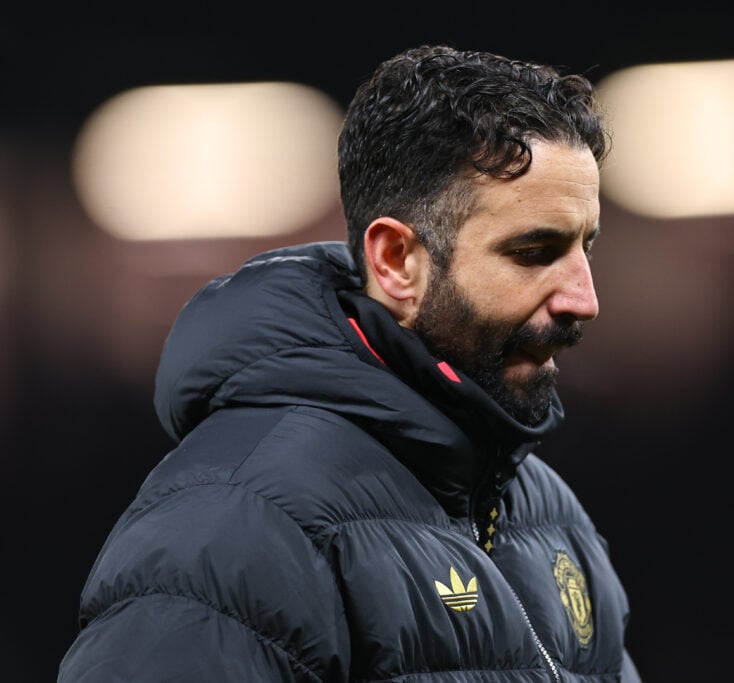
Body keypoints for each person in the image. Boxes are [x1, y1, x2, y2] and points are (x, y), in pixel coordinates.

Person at [58, 44, 641, 682]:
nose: (583, 301)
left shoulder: (544, 510)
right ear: (395, 261)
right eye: (534, 251)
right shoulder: (233, 524)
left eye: (586, 247)